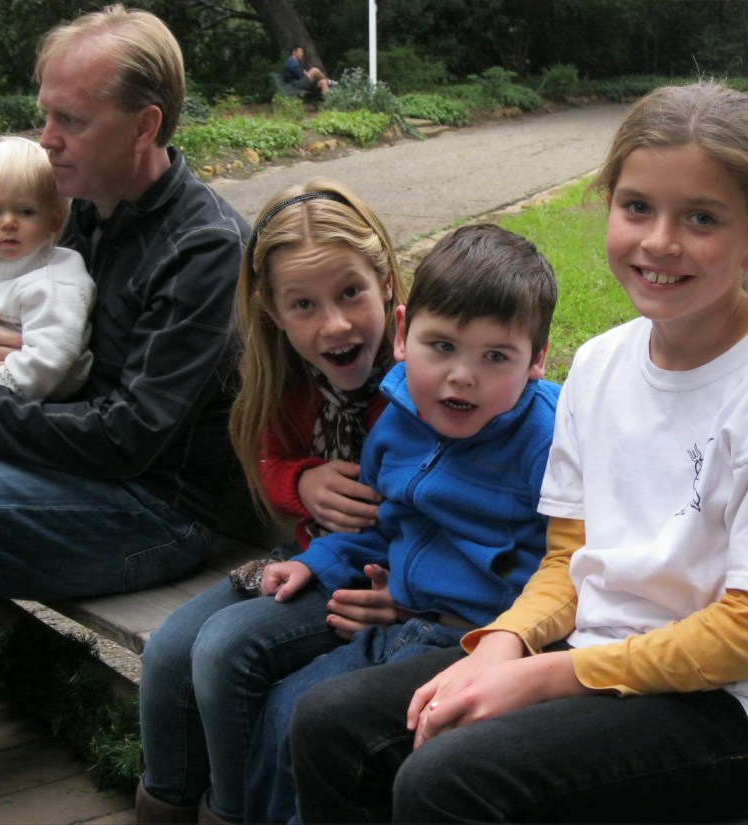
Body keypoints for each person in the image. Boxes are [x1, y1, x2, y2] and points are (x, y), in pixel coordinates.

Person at [289, 80, 748, 824]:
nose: (659, 241)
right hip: (592, 659)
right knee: (330, 724)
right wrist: (506, 641)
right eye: (637, 207)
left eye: (700, 218)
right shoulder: (602, 364)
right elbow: (569, 558)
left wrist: (542, 679)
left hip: (736, 713)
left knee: (446, 780)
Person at [139, 209, 560, 823]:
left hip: (475, 640)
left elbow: (564, 564)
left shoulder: (545, 443)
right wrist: (316, 561)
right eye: (440, 347)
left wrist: (450, 608)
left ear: (537, 360)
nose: (461, 376)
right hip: (399, 620)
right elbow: (380, 524)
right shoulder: (400, 422)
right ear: (404, 332)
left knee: (324, 721)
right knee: (285, 708)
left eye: (497, 356)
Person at [137, 180, 407, 824]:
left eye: (350, 293)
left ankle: (235, 813)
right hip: (308, 555)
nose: (335, 323)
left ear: (387, 282)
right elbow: (267, 456)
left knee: (227, 649)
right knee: (169, 652)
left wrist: (414, 589)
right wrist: (301, 481)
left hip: (377, 580)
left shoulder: (423, 380)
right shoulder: (287, 378)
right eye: (304, 305)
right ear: (271, 311)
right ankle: (167, 807)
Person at [0, 5, 247, 600]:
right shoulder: (78, 210)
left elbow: (128, 437)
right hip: (71, 469)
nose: (46, 139)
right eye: (46, 114)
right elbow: (7, 310)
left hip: (154, 512)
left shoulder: (204, 250)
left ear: (145, 126)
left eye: (71, 120)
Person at [0, 136, 94, 399]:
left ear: (55, 221)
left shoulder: (54, 281)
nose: (8, 222)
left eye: (25, 211)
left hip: (23, 399)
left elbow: (50, 359)